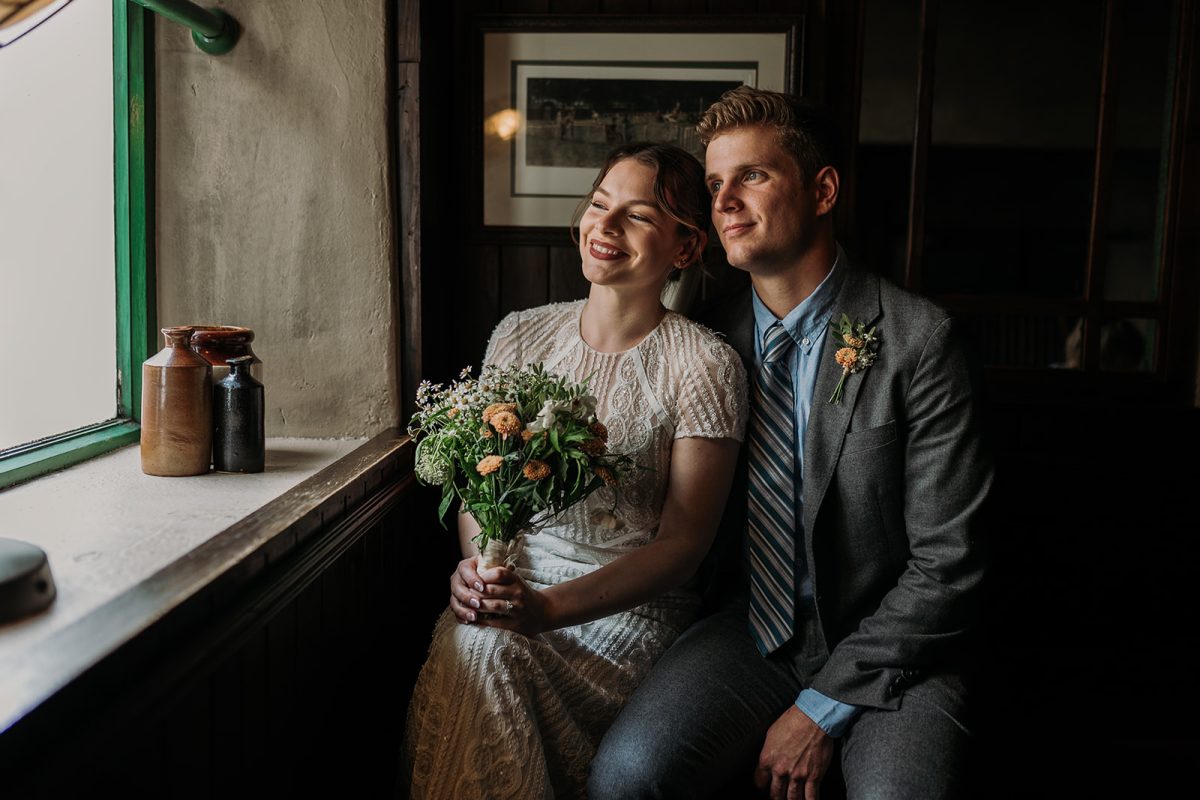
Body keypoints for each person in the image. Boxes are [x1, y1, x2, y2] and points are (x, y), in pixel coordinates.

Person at [589, 87, 993, 799]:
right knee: (625, 778)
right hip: (751, 632)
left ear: (823, 189)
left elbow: (949, 565)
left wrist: (818, 710)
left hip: (895, 647)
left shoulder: (918, 340)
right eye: (715, 184)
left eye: (752, 176)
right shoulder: (705, 342)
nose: (725, 201)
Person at [401, 142, 749, 799]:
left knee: (484, 649)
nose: (607, 226)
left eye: (639, 216)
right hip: (517, 581)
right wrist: (483, 574)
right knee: (476, 638)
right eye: (599, 205)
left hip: (624, 611)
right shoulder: (521, 335)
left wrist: (546, 609)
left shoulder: (704, 364)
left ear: (685, 247)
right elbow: (482, 479)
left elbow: (684, 546)